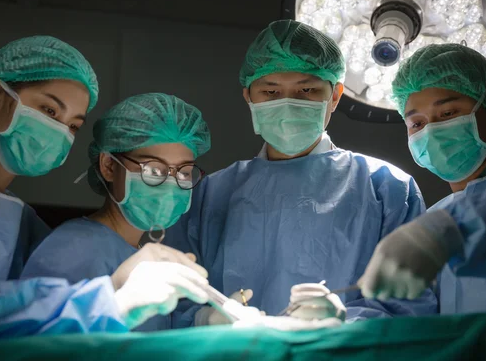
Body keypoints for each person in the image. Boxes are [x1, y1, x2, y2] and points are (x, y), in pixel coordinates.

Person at [163, 20, 438, 327]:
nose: (288, 103)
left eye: (307, 90)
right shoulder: (209, 196)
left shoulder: (387, 188)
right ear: (249, 99)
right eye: (270, 91)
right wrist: (205, 318)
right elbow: (173, 299)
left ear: (334, 97)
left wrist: (341, 322)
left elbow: (410, 308)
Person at [0, 37, 210, 343]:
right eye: (50, 111)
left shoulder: (20, 220)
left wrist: (203, 317)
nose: (58, 132)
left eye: (73, 126)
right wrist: (108, 299)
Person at [359, 43, 486, 321]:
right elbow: (414, 317)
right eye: (417, 124)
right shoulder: (430, 223)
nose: (432, 131)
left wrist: (453, 228)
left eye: (447, 114)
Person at [22, 93, 213, 331]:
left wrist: (207, 319)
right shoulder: (73, 248)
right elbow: (43, 344)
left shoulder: (136, 250)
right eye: (154, 170)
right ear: (109, 166)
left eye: (183, 173)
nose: (171, 184)